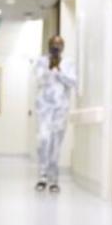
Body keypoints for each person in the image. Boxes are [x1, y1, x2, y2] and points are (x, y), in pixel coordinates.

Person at [34, 35, 77, 193]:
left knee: (55, 145)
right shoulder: (41, 62)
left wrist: (59, 72)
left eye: (59, 44)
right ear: (49, 45)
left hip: (61, 109)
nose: (56, 46)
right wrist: (48, 69)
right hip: (44, 108)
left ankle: (53, 179)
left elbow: (73, 82)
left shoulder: (69, 63)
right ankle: (42, 176)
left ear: (63, 47)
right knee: (43, 140)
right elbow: (39, 80)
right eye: (53, 44)